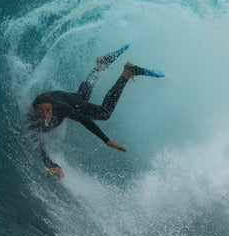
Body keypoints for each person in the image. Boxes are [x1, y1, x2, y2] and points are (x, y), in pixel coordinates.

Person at [28, 47, 162, 178]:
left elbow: (84, 120)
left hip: (62, 99)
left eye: (48, 111)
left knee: (104, 113)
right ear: (35, 111)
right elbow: (38, 146)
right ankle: (101, 65)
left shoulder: (61, 108)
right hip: (55, 98)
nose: (45, 115)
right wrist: (51, 164)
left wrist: (107, 140)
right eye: (41, 112)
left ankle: (127, 73)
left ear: (52, 108)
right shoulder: (33, 122)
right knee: (82, 98)